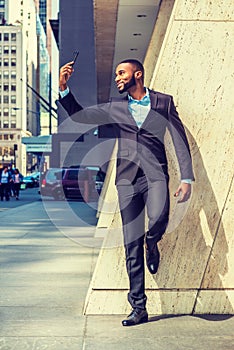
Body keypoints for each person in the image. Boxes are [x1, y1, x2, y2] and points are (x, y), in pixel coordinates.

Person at [58, 59, 194, 326]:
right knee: (131, 242)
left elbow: (179, 138)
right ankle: (139, 307)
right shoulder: (115, 106)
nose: (118, 77)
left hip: (156, 176)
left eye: (122, 73)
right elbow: (82, 117)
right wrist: (64, 88)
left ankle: (152, 244)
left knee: (158, 219)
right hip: (127, 181)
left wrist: (186, 177)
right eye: (117, 74)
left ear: (138, 74)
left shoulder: (163, 102)